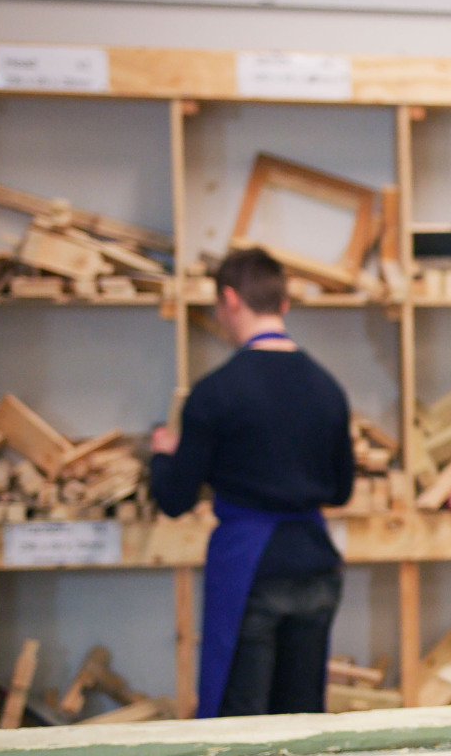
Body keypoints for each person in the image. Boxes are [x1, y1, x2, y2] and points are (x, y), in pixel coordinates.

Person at [150, 247, 355, 718]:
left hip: (251, 568)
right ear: (283, 303)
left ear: (229, 299)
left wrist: (163, 456)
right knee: (302, 718)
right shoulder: (327, 388)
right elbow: (342, 490)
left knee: (241, 723)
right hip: (316, 563)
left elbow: (175, 499)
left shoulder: (215, 392)